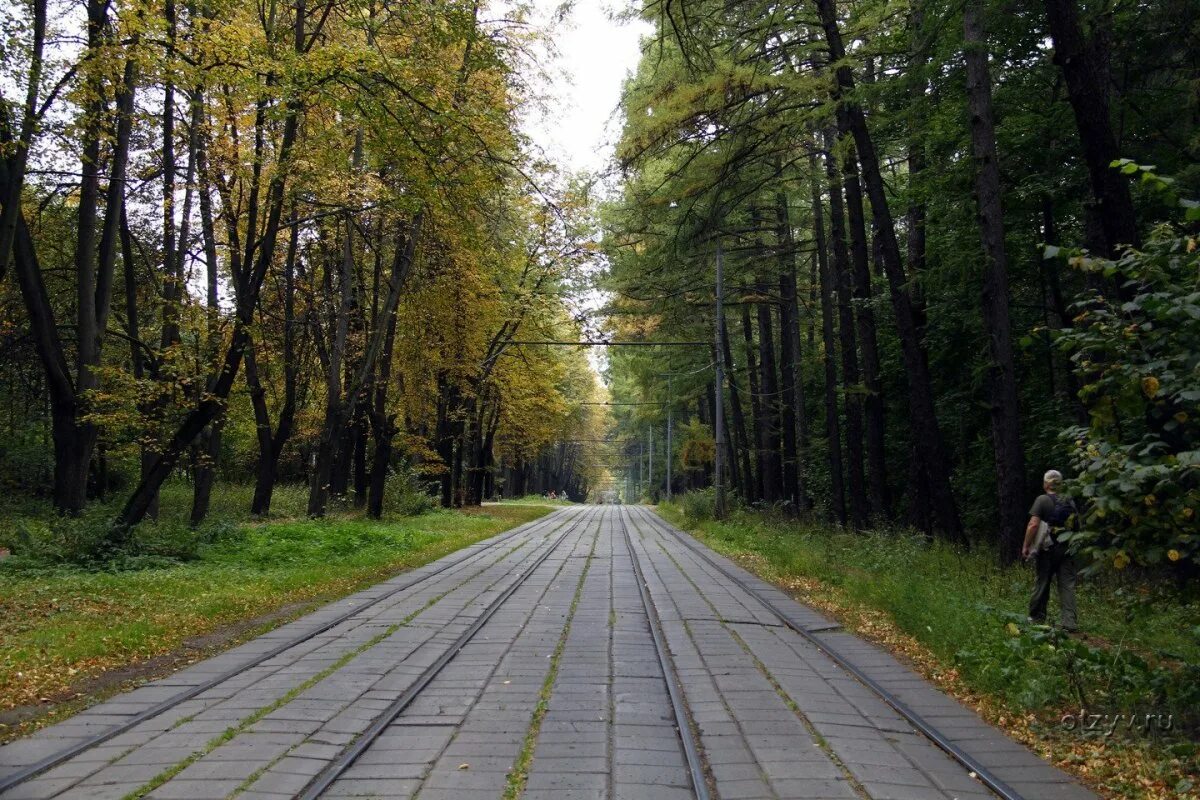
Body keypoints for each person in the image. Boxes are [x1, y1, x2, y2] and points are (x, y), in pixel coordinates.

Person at [1021, 469, 1080, 631]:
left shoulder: (1042, 500)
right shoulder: (1069, 500)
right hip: (1067, 549)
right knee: (1067, 585)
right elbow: (1077, 525)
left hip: (1047, 549)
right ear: (1060, 484)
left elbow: (1033, 524)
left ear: (1046, 483)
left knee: (1042, 582)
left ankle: (1036, 618)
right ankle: (1070, 623)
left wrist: (1026, 546)